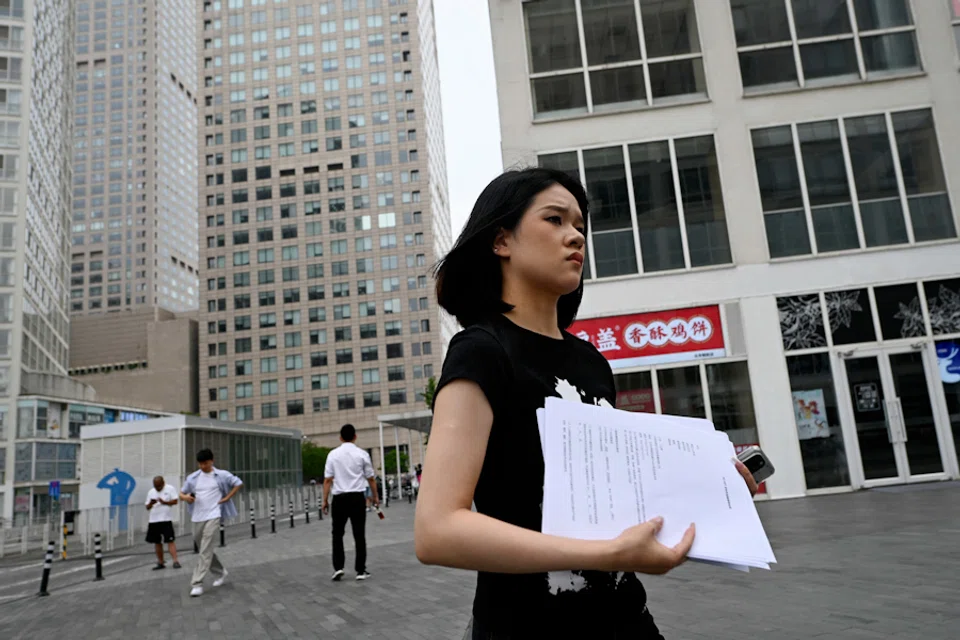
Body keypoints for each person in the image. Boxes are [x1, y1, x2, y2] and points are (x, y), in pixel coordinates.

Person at [413, 168, 760, 638]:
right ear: (501, 241)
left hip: (629, 620)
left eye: (580, 225)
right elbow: (436, 531)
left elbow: (613, 499)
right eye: (554, 220)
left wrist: (707, 487)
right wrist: (605, 555)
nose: (575, 235)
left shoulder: (590, 361)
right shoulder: (482, 351)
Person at [179, 449, 243, 597]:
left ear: (211, 461)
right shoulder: (193, 478)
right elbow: (181, 493)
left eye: (205, 463)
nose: (202, 466)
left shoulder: (221, 475)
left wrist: (227, 497)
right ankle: (220, 572)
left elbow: (238, 483)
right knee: (204, 548)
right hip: (197, 516)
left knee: (206, 547)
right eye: (200, 463)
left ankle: (197, 583)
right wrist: (186, 497)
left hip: (214, 514)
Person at [322, 424, 379, 582]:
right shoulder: (362, 454)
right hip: (356, 497)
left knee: (337, 534)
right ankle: (360, 570)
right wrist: (375, 496)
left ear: (340, 438)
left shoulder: (333, 455)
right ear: (355, 437)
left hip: (339, 498)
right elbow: (371, 478)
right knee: (359, 534)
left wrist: (325, 500)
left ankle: (338, 567)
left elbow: (328, 480)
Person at [144, 475, 181, 570]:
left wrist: (165, 502)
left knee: (170, 540)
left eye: (159, 486)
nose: (158, 488)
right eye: (156, 486)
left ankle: (175, 561)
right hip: (154, 520)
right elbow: (147, 507)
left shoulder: (170, 488)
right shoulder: (151, 492)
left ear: (163, 483)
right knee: (157, 542)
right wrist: (151, 503)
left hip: (166, 519)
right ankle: (160, 562)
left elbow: (175, 501)